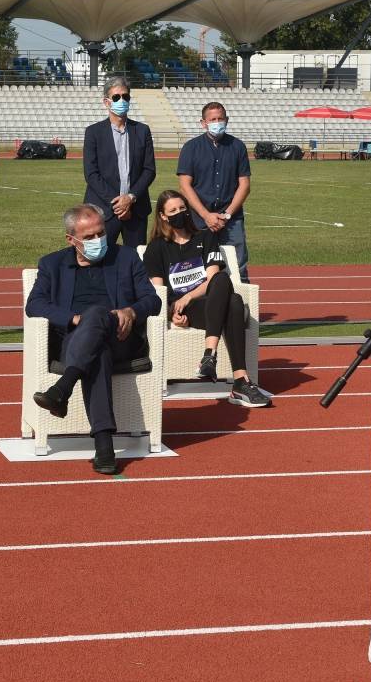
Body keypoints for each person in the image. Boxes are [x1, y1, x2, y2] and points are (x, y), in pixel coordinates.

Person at [26, 203, 162, 475]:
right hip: (75, 341)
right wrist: (75, 319)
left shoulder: (126, 258)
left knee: (98, 319)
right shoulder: (52, 264)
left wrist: (130, 311)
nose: (98, 241)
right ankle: (104, 446)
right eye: (88, 237)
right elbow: (34, 305)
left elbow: (153, 300)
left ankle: (63, 388)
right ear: (71, 239)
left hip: (121, 338)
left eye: (101, 233)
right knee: (96, 348)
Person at [142, 189, 272, 407]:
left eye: (182, 208)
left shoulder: (205, 237)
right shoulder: (156, 248)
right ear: (163, 216)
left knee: (224, 286)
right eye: (172, 210)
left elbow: (213, 280)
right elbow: (157, 292)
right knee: (235, 303)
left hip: (205, 300)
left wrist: (189, 296)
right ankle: (240, 382)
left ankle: (209, 355)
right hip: (186, 311)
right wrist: (171, 313)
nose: (179, 213)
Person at [176, 101, 252, 280]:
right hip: (198, 220)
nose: (217, 122)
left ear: (227, 120)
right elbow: (185, 185)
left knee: (237, 268)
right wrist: (206, 215)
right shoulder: (191, 148)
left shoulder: (238, 146)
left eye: (220, 118)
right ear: (203, 123)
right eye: (212, 119)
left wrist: (226, 215)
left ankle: (242, 307)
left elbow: (245, 185)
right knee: (197, 268)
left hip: (231, 220)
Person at [82, 77, 156, 247]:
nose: (121, 100)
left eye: (126, 96)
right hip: (103, 210)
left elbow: (149, 170)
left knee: (136, 262)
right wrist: (118, 203)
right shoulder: (93, 132)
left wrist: (130, 198)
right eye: (116, 97)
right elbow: (91, 174)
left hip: (136, 210)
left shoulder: (142, 131)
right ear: (106, 102)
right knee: (101, 260)